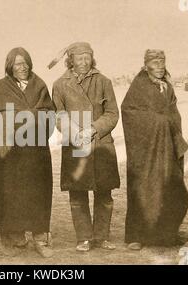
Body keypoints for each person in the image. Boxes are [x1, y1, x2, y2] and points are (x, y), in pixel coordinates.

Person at [0, 47, 55, 257]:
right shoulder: (2, 87)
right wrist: (13, 120)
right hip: (11, 155)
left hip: (35, 152)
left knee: (38, 193)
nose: (23, 67)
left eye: (26, 62)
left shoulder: (39, 85)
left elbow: (49, 113)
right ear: (10, 67)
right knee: (12, 195)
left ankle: (40, 239)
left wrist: (23, 117)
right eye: (18, 64)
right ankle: (15, 237)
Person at [49, 42, 120, 252]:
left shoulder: (104, 81)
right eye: (78, 58)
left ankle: (102, 236)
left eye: (87, 57)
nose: (83, 62)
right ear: (70, 60)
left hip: (100, 143)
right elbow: (58, 114)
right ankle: (84, 237)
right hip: (75, 144)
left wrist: (93, 129)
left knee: (104, 193)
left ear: (93, 58)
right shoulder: (60, 84)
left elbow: (113, 113)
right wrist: (74, 132)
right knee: (78, 194)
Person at [121, 49, 188, 251]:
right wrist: (158, 121)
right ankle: (136, 236)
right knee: (143, 190)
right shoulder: (139, 85)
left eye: (162, 61)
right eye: (155, 62)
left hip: (166, 147)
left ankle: (165, 234)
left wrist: (170, 123)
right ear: (146, 65)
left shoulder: (167, 87)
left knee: (168, 188)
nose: (159, 66)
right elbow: (129, 112)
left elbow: (174, 112)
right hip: (145, 150)